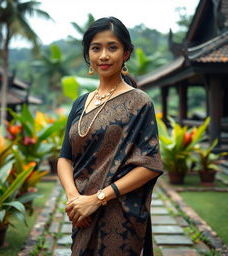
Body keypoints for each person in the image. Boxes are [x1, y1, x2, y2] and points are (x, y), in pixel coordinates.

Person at [57, 16, 163, 256]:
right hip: (82, 214)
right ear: (88, 55)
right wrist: (76, 201)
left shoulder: (139, 102)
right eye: (96, 48)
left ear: (126, 53)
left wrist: (97, 199)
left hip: (120, 216)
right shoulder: (80, 103)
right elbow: (65, 157)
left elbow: (150, 165)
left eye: (112, 47)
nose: (104, 55)